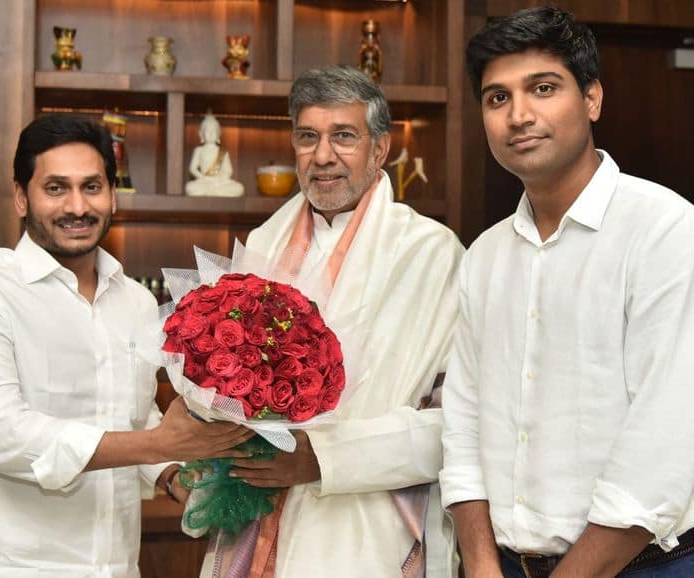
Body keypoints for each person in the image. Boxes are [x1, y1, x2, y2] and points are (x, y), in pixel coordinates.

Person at [0, 114, 252, 578]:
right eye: (56, 188)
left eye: (92, 187)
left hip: (114, 567)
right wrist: (156, 444)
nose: (78, 206)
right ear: (21, 197)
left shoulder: (134, 300)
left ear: (113, 195)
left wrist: (170, 472)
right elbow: (2, 435)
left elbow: (130, 416)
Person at [440, 7, 694, 578]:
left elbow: (665, 442)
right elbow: (463, 421)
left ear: (592, 99)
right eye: (496, 98)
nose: (518, 115)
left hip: (645, 567)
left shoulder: (665, 230)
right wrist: (480, 562)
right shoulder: (484, 256)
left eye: (543, 88)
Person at [196, 64, 465, 577]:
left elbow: (457, 424)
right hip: (257, 507)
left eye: (344, 136)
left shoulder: (432, 254)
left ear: (379, 149)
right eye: (307, 137)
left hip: (368, 526)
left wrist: (322, 457)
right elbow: (219, 377)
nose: (323, 156)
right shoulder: (261, 244)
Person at [185, 111, 244, 197]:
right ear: (201, 134)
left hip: (219, 183)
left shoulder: (223, 152)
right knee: (189, 187)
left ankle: (212, 191)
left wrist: (220, 179)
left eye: (213, 131)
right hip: (204, 181)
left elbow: (228, 171)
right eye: (207, 131)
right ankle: (215, 192)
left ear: (218, 134)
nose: (211, 133)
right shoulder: (199, 150)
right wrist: (203, 178)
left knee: (239, 188)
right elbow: (192, 169)